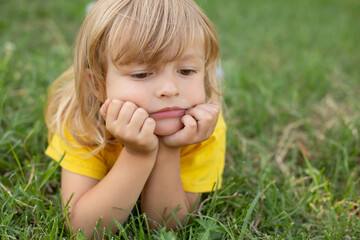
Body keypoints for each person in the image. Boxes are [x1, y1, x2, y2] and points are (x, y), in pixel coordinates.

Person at [45, 0, 226, 238]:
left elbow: (165, 227)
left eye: (186, 71)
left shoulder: (204, 126)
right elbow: (84, 230)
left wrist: (169, 149)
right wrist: (137, 154)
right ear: (98, 85)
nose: (170, 89)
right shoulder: (80, 121)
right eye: (142, 74)